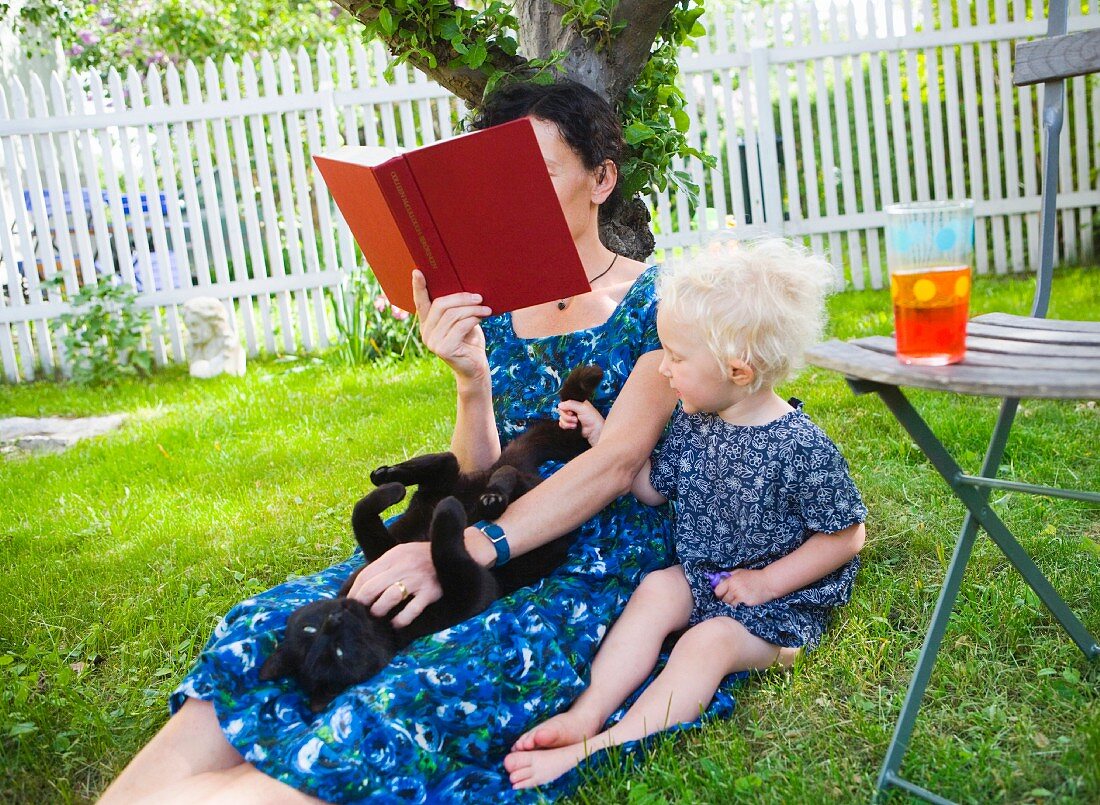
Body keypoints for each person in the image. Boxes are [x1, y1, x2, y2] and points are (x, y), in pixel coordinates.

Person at [101, 80, 687, 804]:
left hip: (580, 564)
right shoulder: (494, 306)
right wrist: (470, 380)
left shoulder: (662, 304)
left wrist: (460, 553)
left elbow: (614, 463)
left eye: (539, 176)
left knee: (415, 682)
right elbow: (479, 473)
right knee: (266, 628)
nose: (514, 201)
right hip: (468, 532)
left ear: (602, 179)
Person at [504, 239, 868, 789]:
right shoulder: (694, 423)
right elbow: (653, 489)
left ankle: (605, 745)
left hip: (780, 605)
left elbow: (845, 537)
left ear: (738, 371)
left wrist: (765, 583)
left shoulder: (801, 448)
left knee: (708, 641)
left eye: (676, 357)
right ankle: (588, 712)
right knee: (657, 589)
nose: (663, 369)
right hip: (706, 578)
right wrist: (606, 438)